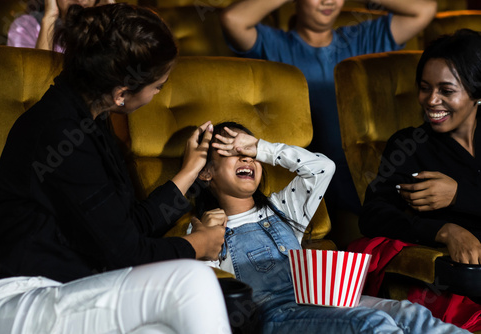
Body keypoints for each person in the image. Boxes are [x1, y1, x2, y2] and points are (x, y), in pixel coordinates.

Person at [0, 4, 231, 333]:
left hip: (66, 288)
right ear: (121, 94)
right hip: (12, 298)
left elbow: (124, 229)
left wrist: (188, 174)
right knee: (194, 281)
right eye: (157, 87)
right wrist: (199, 244)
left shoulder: (90, 120)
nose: (157, 94)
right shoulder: (58, 132)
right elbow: (127, 254)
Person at [191, 121, 469, 333]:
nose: (246, 159)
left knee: (411, 314)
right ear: (206, 172)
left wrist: (262, 148)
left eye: (248, 152)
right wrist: (205, 242)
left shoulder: (282, 207)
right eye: (232, 152)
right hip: (276, 317)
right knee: (372, 323)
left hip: (325, 301)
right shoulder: (207, 230)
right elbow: (205, 300)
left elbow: (322, 167)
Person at [219, 0, 437, 220]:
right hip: (299, 176)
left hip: (365, 175)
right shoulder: (275, 44)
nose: (328, 1)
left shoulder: (362, 37)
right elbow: (234, 20)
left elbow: (423, 10)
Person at [359, 29, 481, 266]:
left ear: (476, 93)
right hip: (462, 275)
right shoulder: (409, 145)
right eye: (425, 88)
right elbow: (373, 215)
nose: (431, 100)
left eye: (446, 91)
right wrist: (444, 231)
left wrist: (458, 195)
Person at [7, 0, 113, 51]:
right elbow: (36, 82)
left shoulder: (104, 25)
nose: (81, 0)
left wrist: (112, 14)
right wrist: (49, 19)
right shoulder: (25, 27)